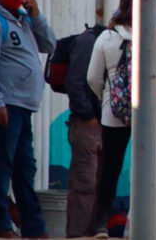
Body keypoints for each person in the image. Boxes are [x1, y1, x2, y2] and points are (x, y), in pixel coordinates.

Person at [88, 0, 156, 240]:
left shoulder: (107, 37)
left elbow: (92, 78)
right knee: (155, 168)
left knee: (110, 167)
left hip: (113, 114)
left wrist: (108, 99)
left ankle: (100, 225)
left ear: (122, 7)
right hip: (151, 116)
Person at [0, 0, 56, 239]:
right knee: (1, 165)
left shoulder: (23, 19)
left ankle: (33, 228)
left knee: (25, 169)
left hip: (24, 106)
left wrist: (37, 16)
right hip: (5, 105)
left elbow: (50, 45)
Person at [64, 26, 105, 237]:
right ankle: (78, 235)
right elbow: (75, 82)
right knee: (85, 184)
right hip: (89, 123)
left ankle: (92, 232)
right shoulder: (90, 41)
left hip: (108, 125)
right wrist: (88, 116)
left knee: (100, 185)